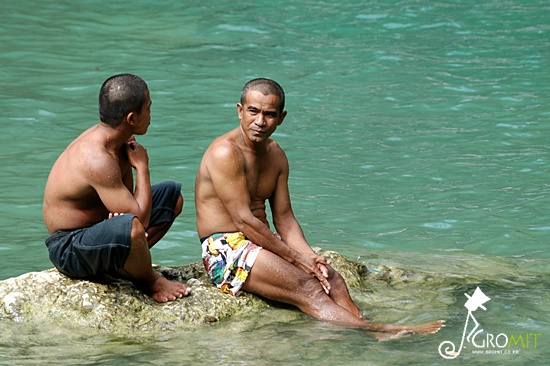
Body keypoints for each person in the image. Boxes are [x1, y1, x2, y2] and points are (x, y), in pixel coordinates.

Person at [195, 78, 444, 338]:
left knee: (331, 277)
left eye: (270, 114)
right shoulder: (225, 153)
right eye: (253, 111)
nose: (260, 121)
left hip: (261, 242)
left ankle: (363, 325)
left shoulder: (276, 155)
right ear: (240, 110)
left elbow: (285, 217)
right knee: (308, 287)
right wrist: (297, 259)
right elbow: (243, 221)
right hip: (224, 247)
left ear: (281, 118)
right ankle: (378, 329)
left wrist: (310, 257)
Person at [43, 74, 191, 303]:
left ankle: (126, 265)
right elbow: (138, 220)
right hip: (70, 246)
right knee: (132, 227)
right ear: (131, 118)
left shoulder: (120, 141)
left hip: (100, 232)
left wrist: (120, 222)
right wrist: (142, 167)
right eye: (149, 108)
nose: (151, 114)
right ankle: (149, 281)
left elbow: (129, 205)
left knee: (173, 197)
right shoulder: (96, 158)